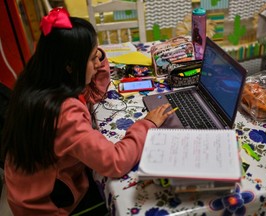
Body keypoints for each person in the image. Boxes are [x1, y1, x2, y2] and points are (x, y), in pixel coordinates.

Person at [1, 8, 175, 215]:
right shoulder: (63, 113)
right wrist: (148, 124)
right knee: (137, 195)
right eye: (92, 58)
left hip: (36, 190)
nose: (97, 63)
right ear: (70, 66)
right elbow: (115, 162)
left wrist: (98, 58)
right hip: (50, 206)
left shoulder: (39, 80)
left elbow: (93, 96)